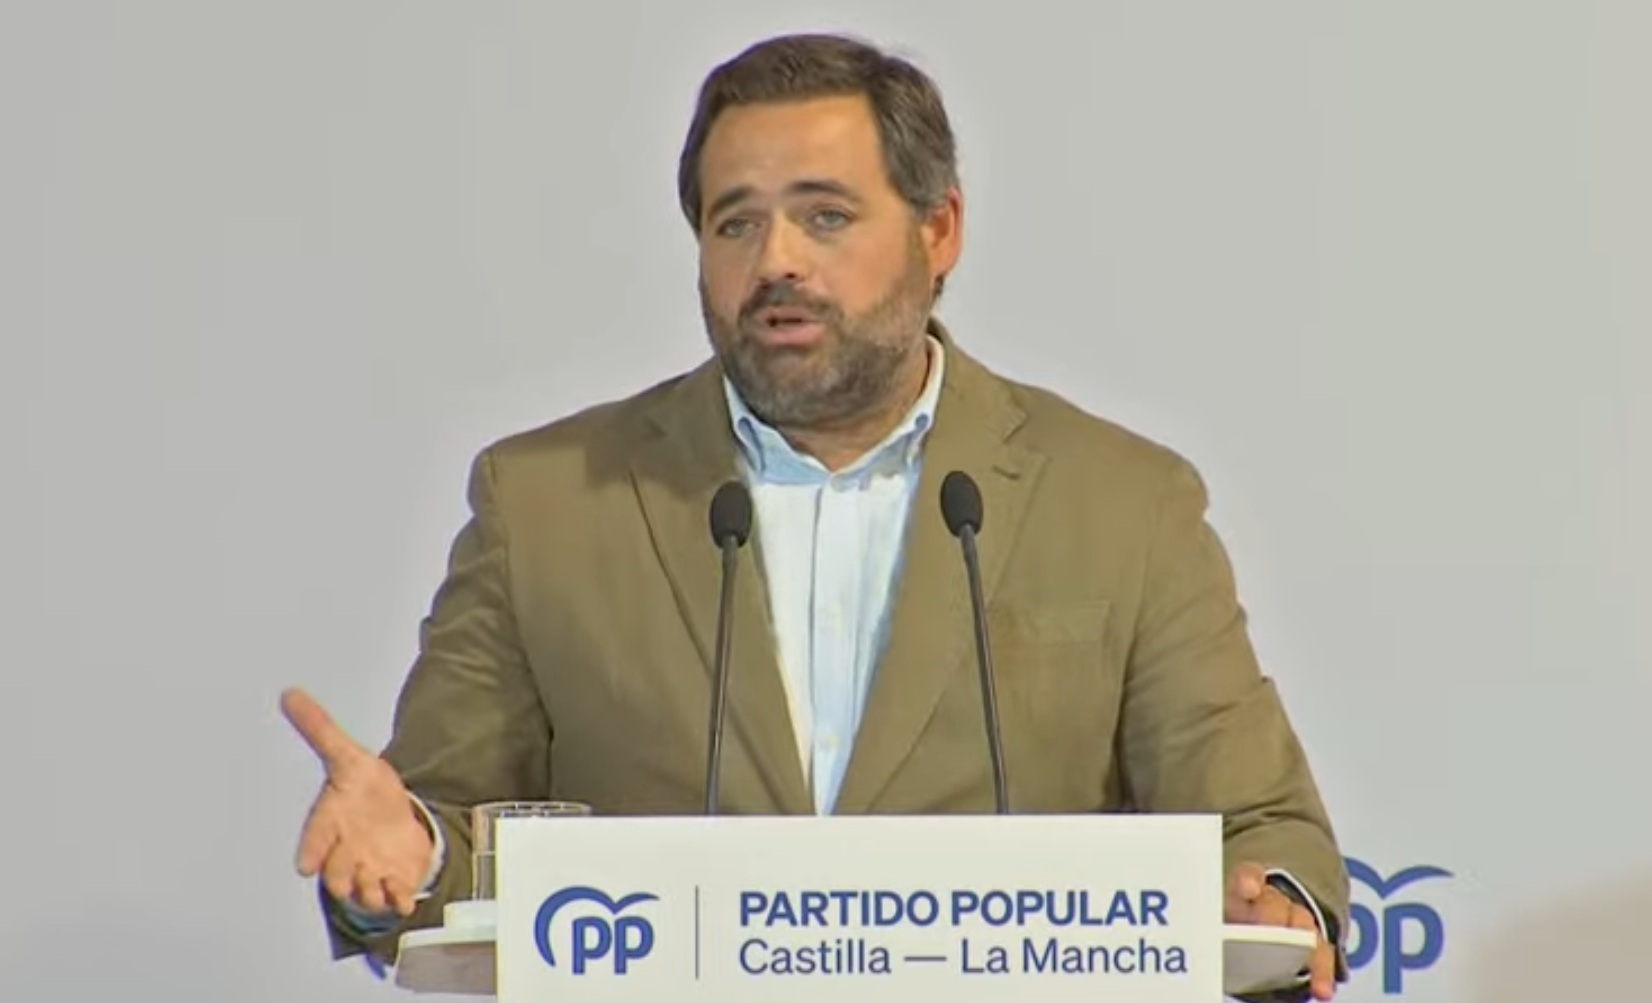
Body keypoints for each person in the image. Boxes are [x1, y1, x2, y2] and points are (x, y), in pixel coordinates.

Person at [280, 31, 1350, 1002]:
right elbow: (450, 851)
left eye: (825, 215)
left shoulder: (1120, 501)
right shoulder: (546, 502)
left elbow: (1263, 832)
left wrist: (1272, 905)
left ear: (939, 229)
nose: (776, 260)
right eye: (735, 222)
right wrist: (408, 854)